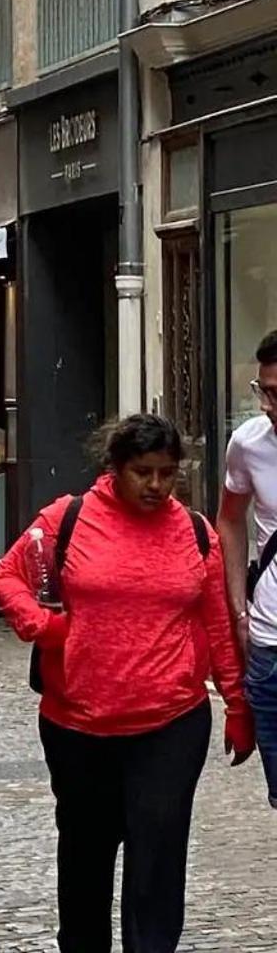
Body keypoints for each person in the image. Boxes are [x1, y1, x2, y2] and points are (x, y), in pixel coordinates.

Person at [0, 413, 253, 953]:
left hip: (170, 724)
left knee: (157, 855)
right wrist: (44, 626)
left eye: (167, 473)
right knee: (86, 852)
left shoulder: (197, 532)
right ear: (115, 468)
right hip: (79, 726)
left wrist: (236, 702)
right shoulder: (70, 517)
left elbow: (216, 625)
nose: (156, 485)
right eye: (143, 472)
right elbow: (7, 576)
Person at [218, 325, 277, 811]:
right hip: (270, 640)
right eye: (263, 391)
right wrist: (238, 609)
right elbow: (230, 520)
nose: (267, 406)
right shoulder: (248, 444)